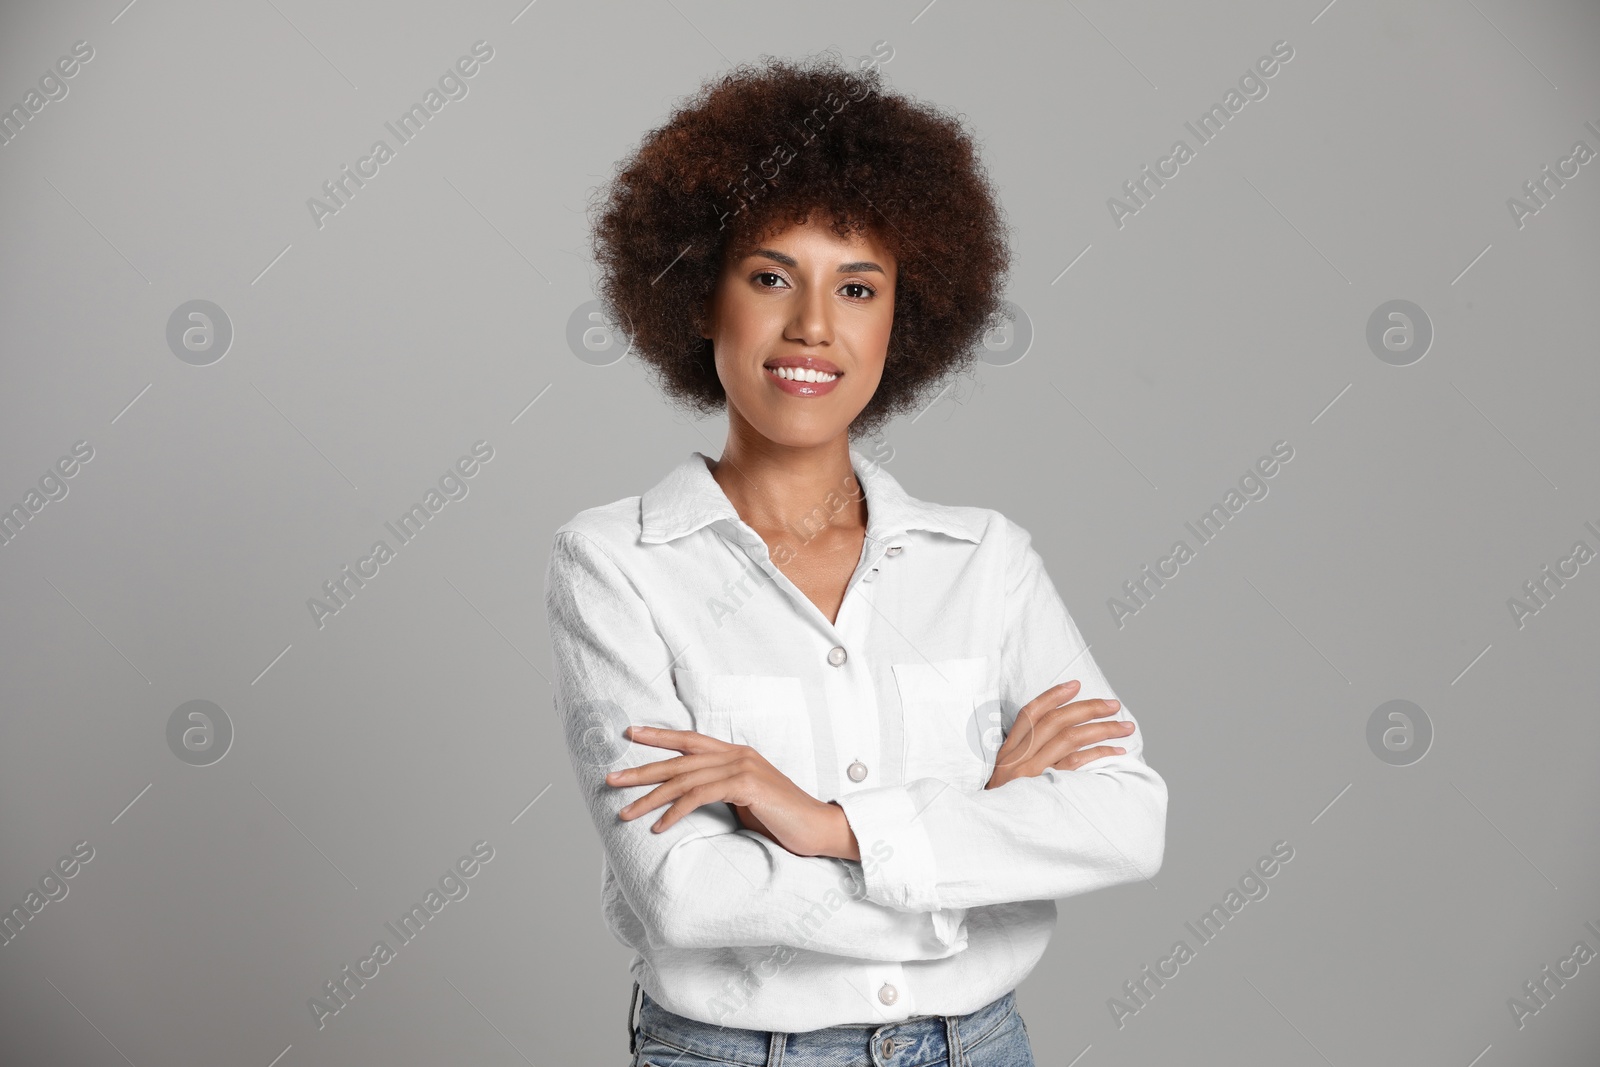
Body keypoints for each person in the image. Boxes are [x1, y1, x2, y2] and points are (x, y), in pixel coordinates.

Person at [545, 52, 1167, 1067]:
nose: (812, 328)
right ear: (702, 295)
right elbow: (690, 896)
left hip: (981, 1045)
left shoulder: (984, 560)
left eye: (859, 286)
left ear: (903, 316)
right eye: (770, 276)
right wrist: (967, 852)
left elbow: (1127, 819)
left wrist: (828, 823)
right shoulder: (617, 564)